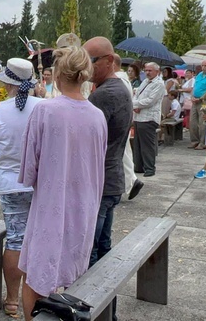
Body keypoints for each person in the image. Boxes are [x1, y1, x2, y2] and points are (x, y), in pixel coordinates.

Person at [17, 46, 107, 321]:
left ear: (56, 74)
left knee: (36, 276)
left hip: (51, 202)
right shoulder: (97, 116)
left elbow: (28, 167)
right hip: (85, 204)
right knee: (72, 271)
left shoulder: (47, 110)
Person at [0, 58, 42, 319]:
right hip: (40, 182)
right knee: (39, 238)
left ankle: (13, 299)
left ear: (7, 82)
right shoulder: (44, 108)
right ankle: (36, 294)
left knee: (15, 239)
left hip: (10, 181)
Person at [83, 38, 133, 275]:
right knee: (103, 248)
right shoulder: (118, 87)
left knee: (89, 253)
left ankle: (92, 307)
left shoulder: (104, 95)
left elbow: (85, 142)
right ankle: (106, 310)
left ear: (109, 61)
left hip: (100, 181)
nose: (86, 67)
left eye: (90, 61)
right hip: (111, 179)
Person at [112, 54, 142, 200]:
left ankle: (131, 182)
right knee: (125, 151)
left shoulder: (119, 79)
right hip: (124, 118)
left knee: (122, 153)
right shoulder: (124, 79)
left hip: (119, 119)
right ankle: (131, 181)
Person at [132, 62, 165, 177]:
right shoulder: (145, 81)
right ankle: (139, 166)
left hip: (149, 118)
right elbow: (137, 94)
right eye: (146, 70)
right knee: (138, 144)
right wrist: (135, 105)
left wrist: (135, 105)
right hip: (139, 117)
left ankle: (150, 168)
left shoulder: (159, 84)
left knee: (147, 145)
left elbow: (150, 100)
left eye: (150, 70)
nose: (147, 73)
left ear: (157, 71)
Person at [189, 60, 206, 150]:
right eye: (202, 65)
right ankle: (194, 141)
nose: (203, 67)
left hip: (204, 102)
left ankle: (203, 142)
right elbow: (194, 87)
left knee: (202, 122)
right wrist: (192, 97)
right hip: (195, 101)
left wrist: (201, 98)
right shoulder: (199, 75)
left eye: (205, 65)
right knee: (193, 121)